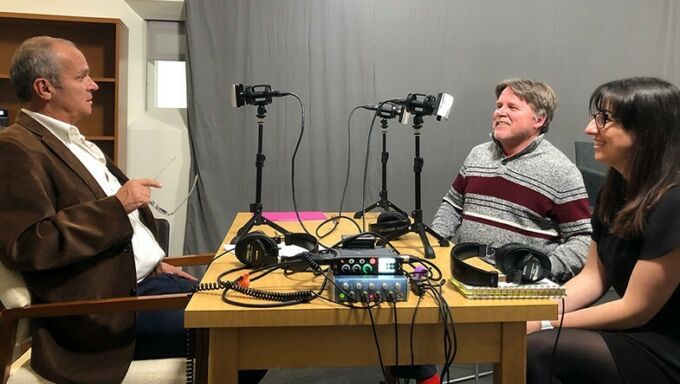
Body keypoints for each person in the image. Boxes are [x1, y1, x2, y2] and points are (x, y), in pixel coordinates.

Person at [0, 36, 263, 384]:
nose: (93, 85)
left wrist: (153, 262)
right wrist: (118, 205)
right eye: (81, 77)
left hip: (144, 283)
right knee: (247, 337)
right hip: (103, 317)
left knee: (253, 315)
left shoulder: (76, 142)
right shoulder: (15, 149)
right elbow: (28, 244)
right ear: (45, 88)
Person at [526, 77, 680, 383]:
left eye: (604, 119)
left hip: (664, 344)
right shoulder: (615, 193)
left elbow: (637, 309)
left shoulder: (673, 201)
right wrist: (529, 313)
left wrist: (546, 323)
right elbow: (593, 278)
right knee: (527, 340)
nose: (590, 129)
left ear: (646, 130)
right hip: (636, 330)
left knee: (538, 348)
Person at [432, 79, 592, 283]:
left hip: (520, 288)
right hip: (466, 275)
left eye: (512, 107)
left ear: (539, 119)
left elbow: (583, 240)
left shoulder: (562, 172)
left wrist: (543, 269)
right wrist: (434, 245)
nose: (500, 112)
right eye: (499, 106)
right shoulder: (477, 155)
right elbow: (452, 205)